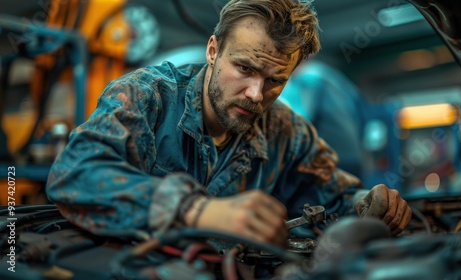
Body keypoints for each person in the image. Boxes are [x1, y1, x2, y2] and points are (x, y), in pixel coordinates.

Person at [46, 0, 412, 247]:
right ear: (212, 50)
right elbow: (75, 173)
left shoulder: (286, 131)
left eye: (275, 80)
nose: (256, 94)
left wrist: (367, 203)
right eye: (245, 69)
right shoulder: (148, 95)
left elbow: (335, 196)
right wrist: (194, 209)